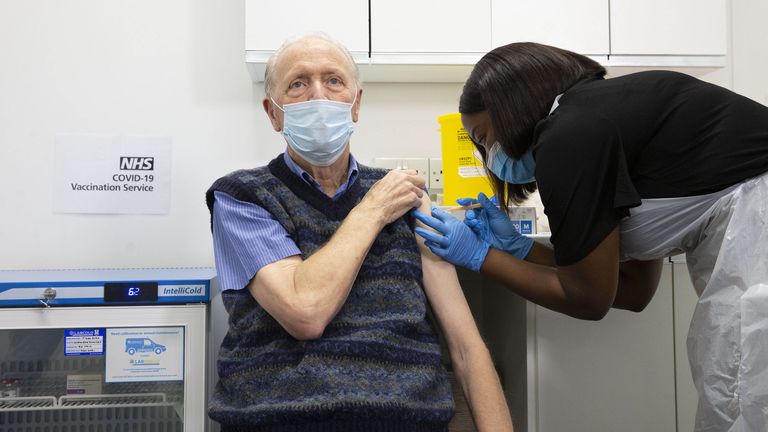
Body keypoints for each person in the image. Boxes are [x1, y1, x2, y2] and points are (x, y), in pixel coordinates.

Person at [414, 42, 768, 432]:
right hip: (745, 232)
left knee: (742, 394)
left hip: (756, 229)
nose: (488, 156)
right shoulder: (605, 120)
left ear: (510, 109)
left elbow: (589, 299)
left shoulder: (570, 135)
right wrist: (520, 249)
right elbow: (630, 290)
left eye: (483, 138)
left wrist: (481, 256)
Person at [204, 32, 513, 432]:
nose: (318, 96)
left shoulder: (406, 198)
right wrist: (373, 208)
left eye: (333, 81)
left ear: (356, 104)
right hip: (282, 420)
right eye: (298, 84)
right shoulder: (242, 197)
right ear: (273, 112)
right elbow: (305, 311)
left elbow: (467, 348)